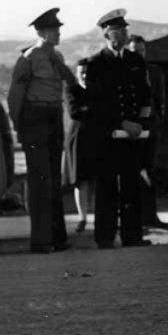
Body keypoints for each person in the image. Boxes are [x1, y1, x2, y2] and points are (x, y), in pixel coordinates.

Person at [8, 7, 77, 254]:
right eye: (53, 30)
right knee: (40, 181)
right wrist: (19, 126)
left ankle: (58, 239)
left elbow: (70, 85)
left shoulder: (57, 58)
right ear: (41, 32)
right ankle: (41, 241)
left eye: (58, 30)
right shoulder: (29, 58)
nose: (58, 34)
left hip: (53, 116)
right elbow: (15, 96)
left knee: (54, 180)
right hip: (35, 119)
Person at [85, 9, 152, 250]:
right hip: (108, 136)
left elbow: (144, 96)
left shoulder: (135, 61)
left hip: (132, 136)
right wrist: (122, 123)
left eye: (125, 30)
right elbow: (96, 104)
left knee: (132, 186)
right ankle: (104, 237)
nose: (123, 34)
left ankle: (132, 236)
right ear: (106, 33)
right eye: (117, 31)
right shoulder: (96, 64)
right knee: (107, 188)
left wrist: (141, 124)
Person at [127, 35, 168, 230]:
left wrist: (157, 121)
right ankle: (135, 218)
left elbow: (160, 100)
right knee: (133, 172)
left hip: (151, 128)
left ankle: (151, 216)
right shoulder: (123, 72)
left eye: (142, 51)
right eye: (135, 51)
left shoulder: (154, 72)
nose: (139, 55)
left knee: (149, 172)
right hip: (131, 130)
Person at [63, 59, 97, 234]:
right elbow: (74, 111)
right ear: (77, 74)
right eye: (81, 72)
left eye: (87, 72)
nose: (84, 75)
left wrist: (88, 109)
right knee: (81, 180)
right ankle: (82, 218)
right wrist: (91, 109)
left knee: (97, 179)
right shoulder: (72, 90)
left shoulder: (97, 90)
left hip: (96, 138)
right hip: (78, 139)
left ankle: (98, 217)